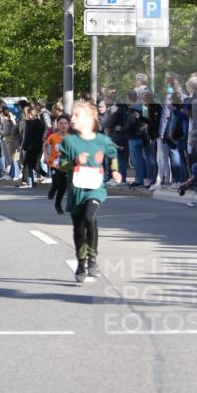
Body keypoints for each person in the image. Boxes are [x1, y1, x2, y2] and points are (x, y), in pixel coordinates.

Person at [59, 99, 122, 283]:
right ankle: (81, 262)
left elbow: (113, 155)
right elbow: (61, 165)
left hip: (95, 189)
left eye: (77, 115)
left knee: (89, 217)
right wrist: (74, 162)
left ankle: (92, 258)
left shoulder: (102, 140)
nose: (72, 118)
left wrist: (116, 170)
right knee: (78, 228)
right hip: (76, 191)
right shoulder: (69, 142)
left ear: (89, 118)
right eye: (72, 115)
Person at [44, 114, 70, 214]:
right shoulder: (53, 136)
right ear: (57, 125)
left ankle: (58, 204)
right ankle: (53, 188)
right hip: (54, 164)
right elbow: (45, 145)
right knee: (57, 182)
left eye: (65, 123)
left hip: (67, 165)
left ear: (69, 125)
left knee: (63, 187)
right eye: (61, 123)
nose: (63, 125)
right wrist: (46, 155)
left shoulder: (71, 138)